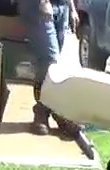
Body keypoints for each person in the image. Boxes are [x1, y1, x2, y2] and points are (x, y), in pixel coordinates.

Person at [21, 0, 81, 136]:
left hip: (61, 6)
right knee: (50, 60)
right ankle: (47, 113)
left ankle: (48, 110)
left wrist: (71, 8)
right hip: (37, 6)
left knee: (51, 64)